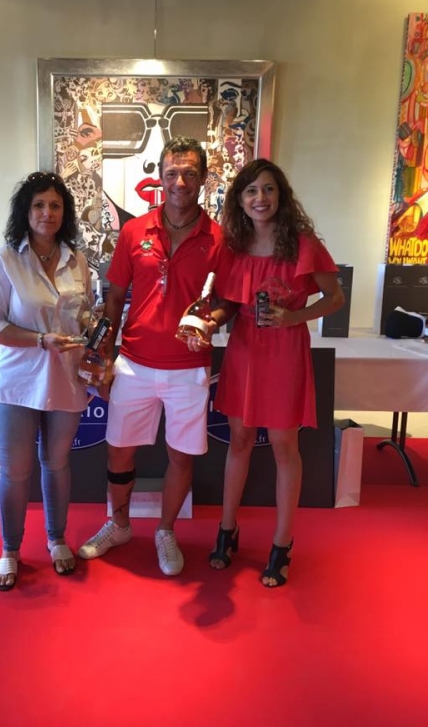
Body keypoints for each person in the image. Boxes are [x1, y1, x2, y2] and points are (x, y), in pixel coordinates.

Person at [78, 136, 226, 576]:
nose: (180, 182)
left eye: (190, 173)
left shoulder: (219, 238)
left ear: (203, 178)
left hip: (188, 369)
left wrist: (213, 322)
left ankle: (165, 530)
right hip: (134, 363)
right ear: (160, 177)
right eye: (172, 173)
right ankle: (119, 525)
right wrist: (104, 358)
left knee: (181, 457)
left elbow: (228, 302)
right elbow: (114, 298)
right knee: (119, 453)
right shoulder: (133, 231)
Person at [208, 159, 344, 587]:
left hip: (285, 351)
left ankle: (282, 543)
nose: (260, 198)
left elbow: (335, 297)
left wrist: (295, 317)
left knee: (285, 446)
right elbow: (227, 303)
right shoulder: (233, 246)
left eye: (268, 189)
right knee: (240, 440)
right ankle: (227, 530)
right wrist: (206, 321)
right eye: (251, 191)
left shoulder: (302, 243)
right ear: (240, 200)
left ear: (280, 195)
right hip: (244, 350)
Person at [0, 172, 93, 591]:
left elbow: (84, 316)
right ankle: (10, 549)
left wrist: (93, 332)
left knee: (57, 463)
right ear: (26, 211)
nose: (47, 213)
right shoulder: (5, 260)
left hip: (66, 378)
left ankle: (56, 539)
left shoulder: (77, 261)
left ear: (65, 213)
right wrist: (39, 340)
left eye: (55, 205)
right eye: (39, 205)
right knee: (15, 470)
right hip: (18, 380)